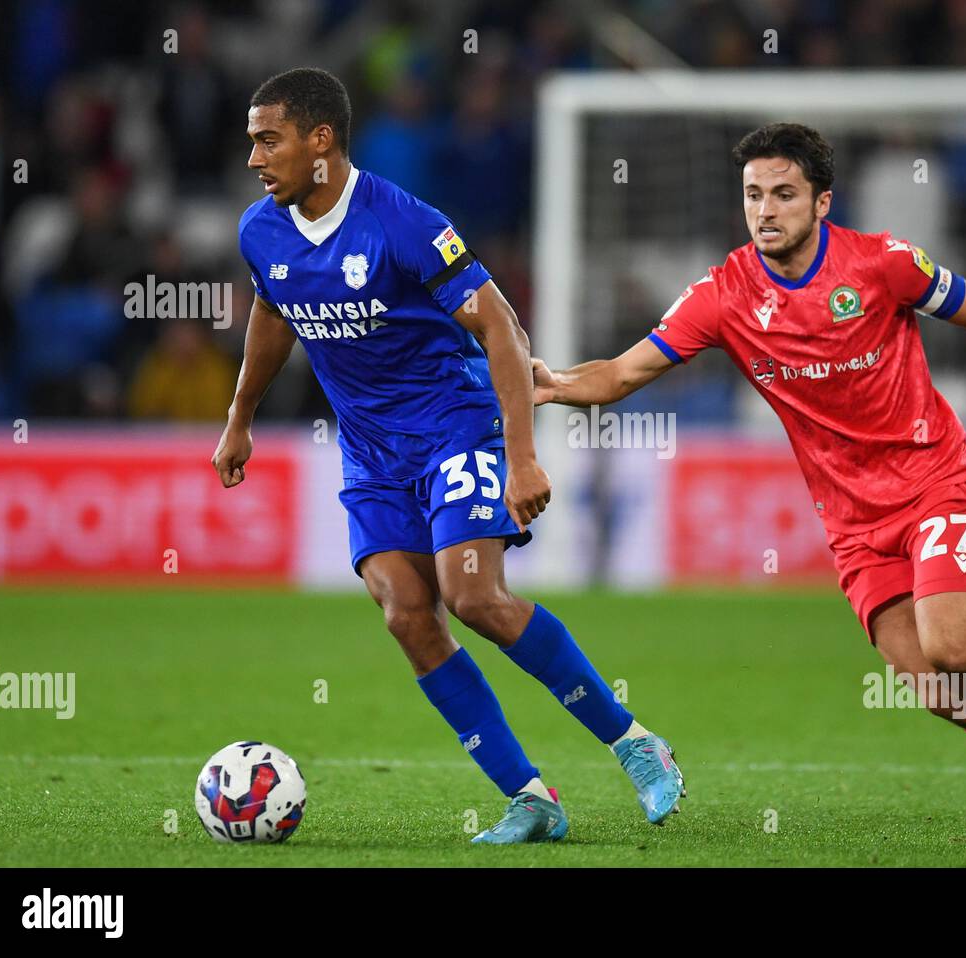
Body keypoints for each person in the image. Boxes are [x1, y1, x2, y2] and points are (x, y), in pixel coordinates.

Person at [534, 123, 966, 828]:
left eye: (784, 194)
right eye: (754, 195)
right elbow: (624, 372)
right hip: (854, 524)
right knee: (946, 693)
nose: (766, 210)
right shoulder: (723, 296)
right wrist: (554, 383)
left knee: (957, 646)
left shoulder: (881, 265)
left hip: (934, 481)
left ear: (822, 203)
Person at [212, 68, 684, 844]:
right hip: (370, 451)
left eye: (270, 139)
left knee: (475, 599)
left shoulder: (403, 223)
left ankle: (635, 744)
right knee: (406, 613)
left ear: (320, 141)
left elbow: (501, 328)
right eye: (252, 141)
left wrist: (525, 457)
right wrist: (240, 418)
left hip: (454, 425)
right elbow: (273, 308)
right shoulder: (261, 231)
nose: (256, 157)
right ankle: (531, 797)